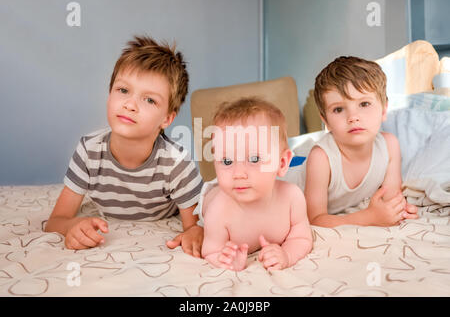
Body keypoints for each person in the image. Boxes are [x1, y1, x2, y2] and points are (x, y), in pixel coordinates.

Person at [45, 35, 204, 257]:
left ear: (166, 119)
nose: (130, 105)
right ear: (109, 94)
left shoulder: (177, 164)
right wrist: (70, 226)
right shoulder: (89, 150)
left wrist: (194, 233)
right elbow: (55, 221)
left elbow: (195, 228)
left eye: (149, 100)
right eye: (123, 90)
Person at [197, 97, 313, 271]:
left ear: (282, 164)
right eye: (227, 161)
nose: (238, 174)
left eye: (254, 159)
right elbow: (211, 250)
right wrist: (226, 261)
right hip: (215, 192)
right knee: (215, 193)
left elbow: (301, 238)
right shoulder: (218, 211)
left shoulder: (292, 198)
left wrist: (287, 255)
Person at [304, 56, 419, 228]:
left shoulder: (389, 146)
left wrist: (401, 211)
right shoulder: (321, 158)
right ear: (325, 121)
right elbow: (315, 219)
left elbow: (391, 199)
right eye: (338, 109)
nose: (353, 117)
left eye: (364, 104)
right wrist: (368, 217)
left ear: (384, 109)